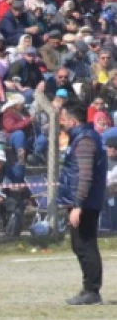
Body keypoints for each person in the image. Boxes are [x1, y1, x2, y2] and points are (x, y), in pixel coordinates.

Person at [57, 101, 107, 305]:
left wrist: (78, 204)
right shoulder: (79, 138)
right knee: (80, 244)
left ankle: (92, 290)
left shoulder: (84, 141)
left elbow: (85, 176)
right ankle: (89, 288)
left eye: (63, 118)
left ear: (73, 120)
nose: (61, 122)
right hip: (81, 201)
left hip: (84, 203)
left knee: (85, 245)